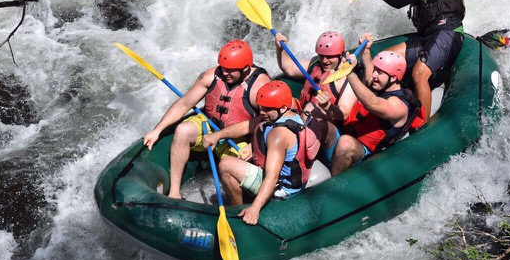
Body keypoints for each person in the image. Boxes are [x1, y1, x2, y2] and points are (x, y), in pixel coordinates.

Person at [142, 40, 271, 199]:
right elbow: (184, 104)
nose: (225, 73)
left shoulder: (259, 86)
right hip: (209, 127)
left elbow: (269, 121)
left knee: (233, 166)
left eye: (230, 70)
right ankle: (174, 192)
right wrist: (157, 130)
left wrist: (253, 146)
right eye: (223, 68)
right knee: (183, 130)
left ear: (245, 69)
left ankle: (236, 205)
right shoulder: (211, 76)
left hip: (239, 137)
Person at [202, 80, 337, 225]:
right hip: (292, 176)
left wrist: (255, 208)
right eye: (260, 107)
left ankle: (237, 211)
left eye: (266, 109)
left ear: (283, 107)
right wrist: (218, 135)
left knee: (226, 164)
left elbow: (272, 176)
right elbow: (249, 126)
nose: (262, 112)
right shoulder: (288, 114)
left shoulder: (278, 135)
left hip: (281, 189)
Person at [363, 0, 465, 121]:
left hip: (447, 32)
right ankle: (389, 102)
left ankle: (422, 126)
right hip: (429, 37)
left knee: (419, 73)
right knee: (387, 56)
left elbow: (399, 0)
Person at [330, 34, 422, 176]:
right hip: (349, 132)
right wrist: (365, 51)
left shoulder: (399, 105)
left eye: (379, 72)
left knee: (345, 144)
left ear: (393, 78)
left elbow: (372, 104)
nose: (374, 75)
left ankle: (331, 190)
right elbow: (368, 71)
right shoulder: (381, 83)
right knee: (323, 125)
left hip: (366, 152)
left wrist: (349, 73)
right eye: (375, 71)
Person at [274, 31, 357, 123]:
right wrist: (280, 49)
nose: (325, 61)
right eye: (321, 55)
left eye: (330, 57)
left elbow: (344, 113)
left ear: (340, 55)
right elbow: (290, 68)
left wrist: (327, 106)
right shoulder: (315, 63)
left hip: (329, 125)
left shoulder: (346, 78)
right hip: (303, 113)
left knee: (310, 109)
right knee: (279, 102)